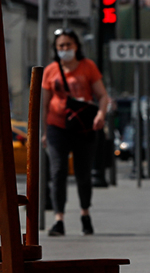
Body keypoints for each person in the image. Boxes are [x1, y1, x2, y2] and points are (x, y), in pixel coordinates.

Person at [40, 29, 110, 236]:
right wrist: (44, 132)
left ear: (76, 46)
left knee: (83, 173)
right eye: (60, 46)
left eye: (68, 45)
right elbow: (43, 104)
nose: (64, 49)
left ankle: (85, 214)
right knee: (58, 171)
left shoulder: (88, 67)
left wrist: (101, 115)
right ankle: (58, 219)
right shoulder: (50, 71)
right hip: (57, 126)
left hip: (83, 127)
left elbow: (103, 96)